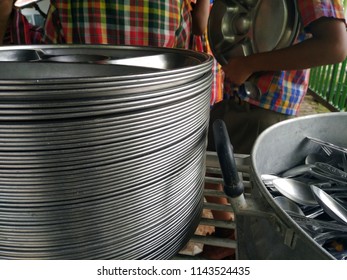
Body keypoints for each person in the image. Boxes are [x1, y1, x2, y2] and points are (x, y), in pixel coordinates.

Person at [204, 0, 347, 260]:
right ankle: (228, 236)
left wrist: (250, 64)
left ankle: (240, 247)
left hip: (264, 110)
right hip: (237, 101)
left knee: (255, 207)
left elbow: (335, 46)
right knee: (210, 170)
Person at [1, 0, 193, 48]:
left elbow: (48, 71)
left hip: (84, 138)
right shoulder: (175, 3)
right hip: (155, 135)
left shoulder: (66, 3)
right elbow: (183, 68)